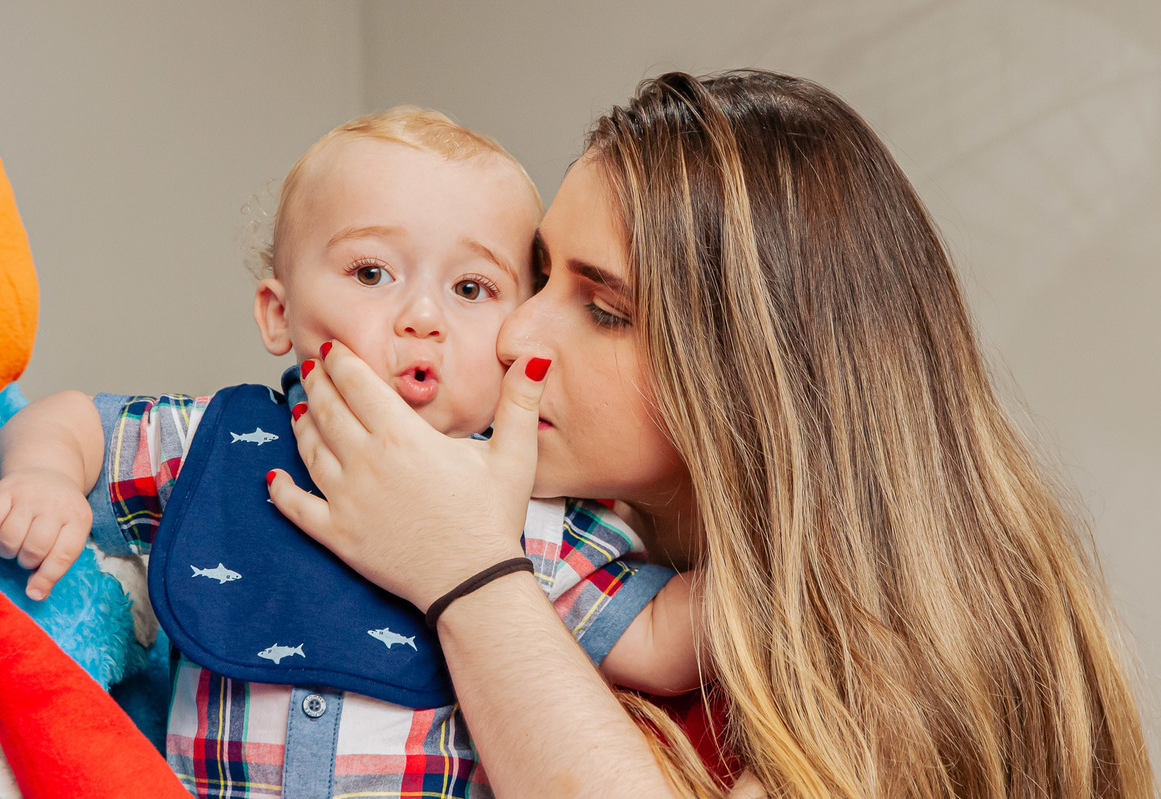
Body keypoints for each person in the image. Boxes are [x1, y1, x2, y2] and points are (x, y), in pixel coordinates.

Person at [268, 71, 1158, 798]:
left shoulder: (895, 672)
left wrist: (467, 574)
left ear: (754, 377)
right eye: (538, 278)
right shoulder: (584, 547)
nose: (513, 336)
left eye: (604, 308)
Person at [0, 107, 701, 797]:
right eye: (372, 273)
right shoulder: (218, 440)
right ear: (278, 311)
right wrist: (43, 473)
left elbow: (663, 640)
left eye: (472, 288)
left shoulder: (527, 500)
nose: (423, 317)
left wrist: (810, 561)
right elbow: (71, 422)